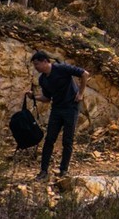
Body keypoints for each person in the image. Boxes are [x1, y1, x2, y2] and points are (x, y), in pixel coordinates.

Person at [26, 50, 88, 179]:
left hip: (71, 107)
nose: (35, 67)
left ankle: (63, 170)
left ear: (45, 61)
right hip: (57, 109)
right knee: (49, 139)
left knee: (67, 140)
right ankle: (43, 171)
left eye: (37, 64)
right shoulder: (43, 79)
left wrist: (80, 93)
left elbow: (84, 74)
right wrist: (34, 97)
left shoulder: (62, 68)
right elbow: (47, 98)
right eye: (34, 65)